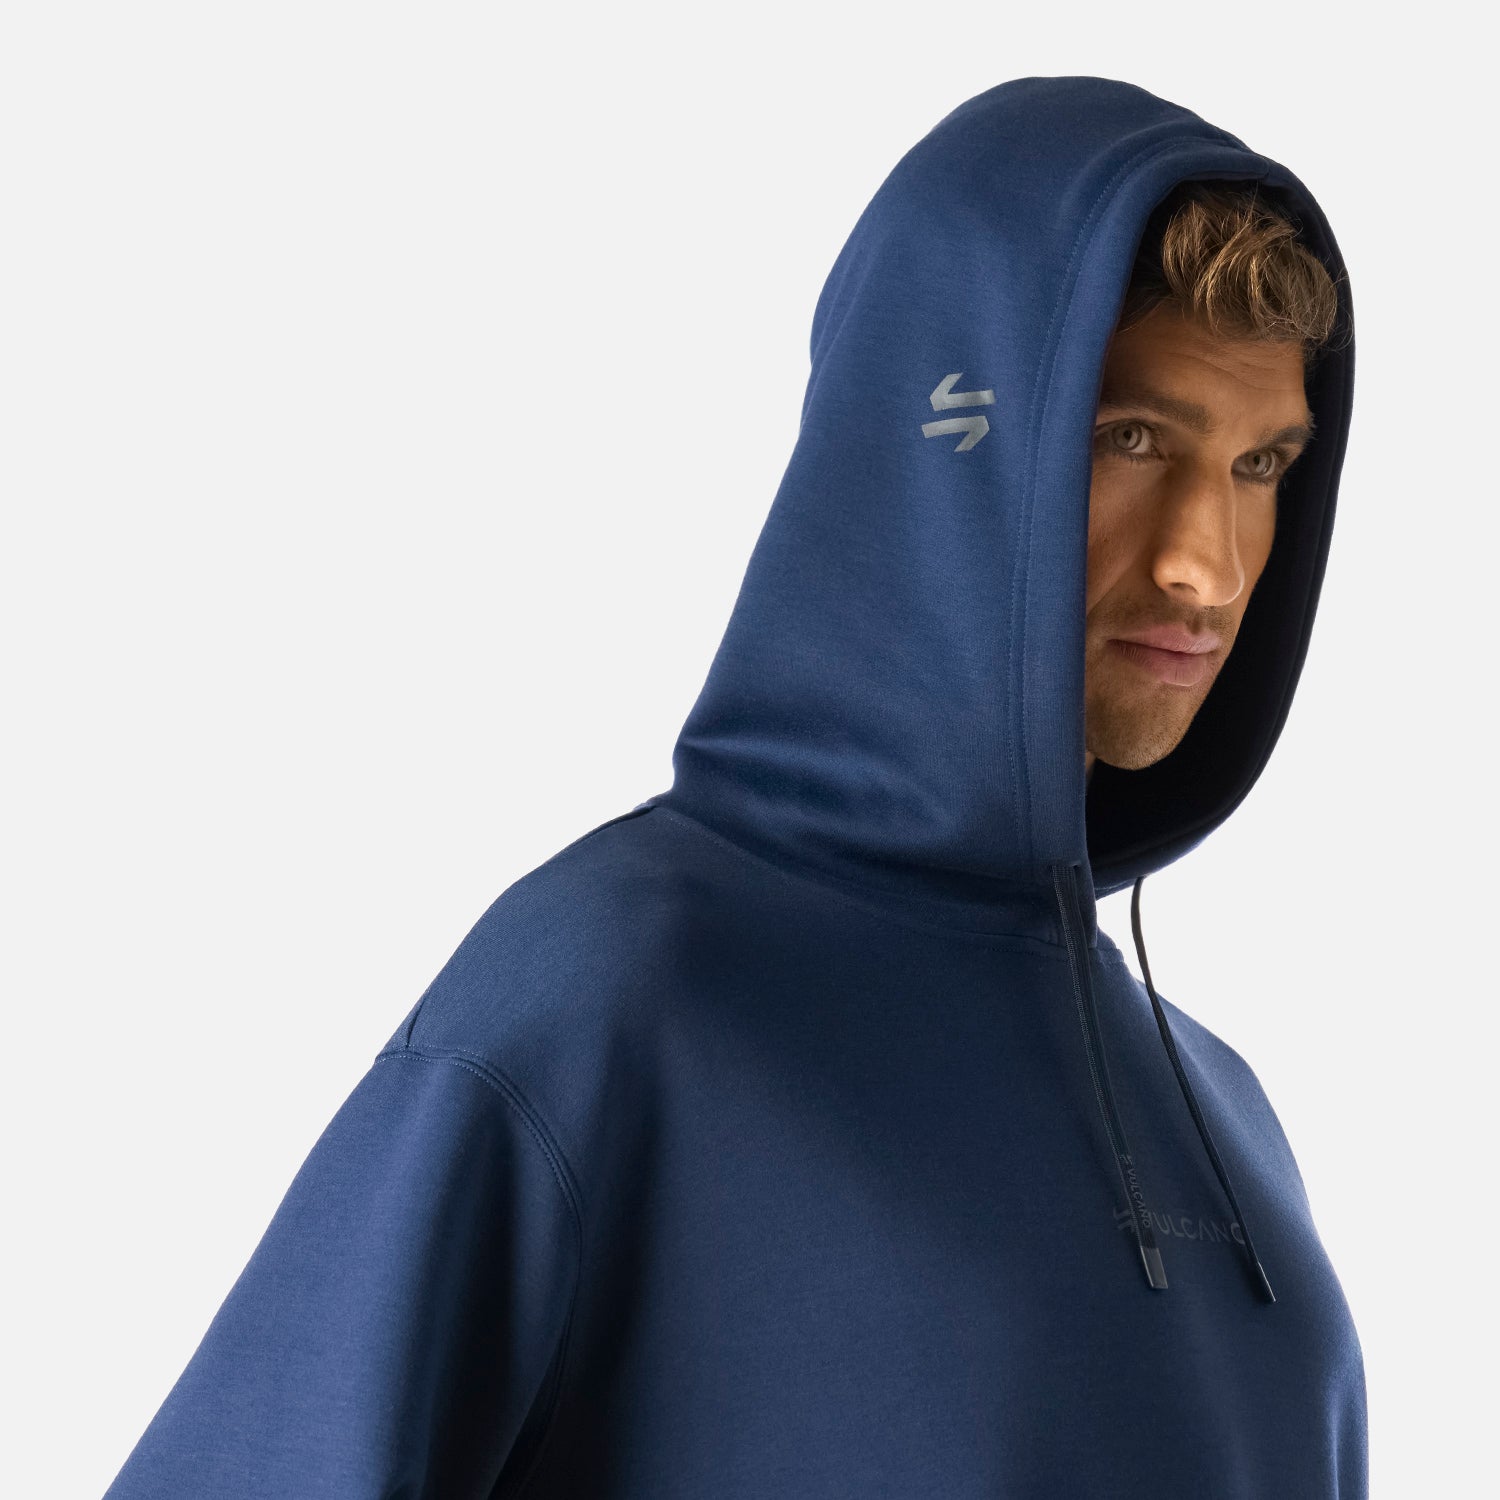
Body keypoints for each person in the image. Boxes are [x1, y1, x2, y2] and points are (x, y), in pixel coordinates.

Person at [103, 76, 1366, 1498]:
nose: (1209, 564)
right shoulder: (614, 1003)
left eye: (1261, 464)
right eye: (1131, 439)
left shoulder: (1221, 1116)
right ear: (941, 444)